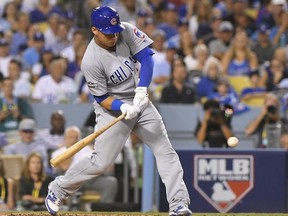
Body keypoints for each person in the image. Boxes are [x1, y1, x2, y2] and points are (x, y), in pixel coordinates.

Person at [45, 6, 192, 216]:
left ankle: (179, 204)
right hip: (113, 109)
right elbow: (102, 98)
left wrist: (142, 89)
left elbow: (147, 57)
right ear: (94, 30)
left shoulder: (125, 30)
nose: (114, 36)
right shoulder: (90, 60)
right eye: (108, 33)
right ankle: (58, 189)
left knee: (165, 150)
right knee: (101, 162)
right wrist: (122, 106)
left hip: (139, 99)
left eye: (115, 31)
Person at [51, 126, 118, 206]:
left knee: (111, 182)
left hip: (92, 178)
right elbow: (64, 168)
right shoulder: (59, 153)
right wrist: (72, 150)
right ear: (65, 138)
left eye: (76, 137)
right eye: (71, 137)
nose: (74, 139)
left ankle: (104, 210)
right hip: (72, 179)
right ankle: (72, 209)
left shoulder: (88, 149)